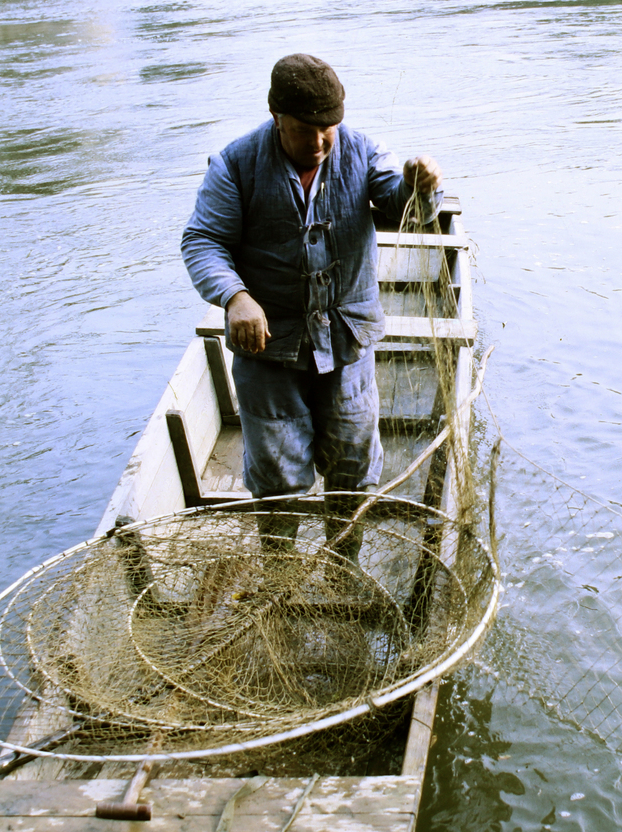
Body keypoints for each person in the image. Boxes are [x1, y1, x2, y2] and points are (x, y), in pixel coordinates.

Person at [181, 54, 442, 557]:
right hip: (269, 346)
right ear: (276, 116)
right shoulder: (234, 165)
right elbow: (203, 241)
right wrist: (236, 298)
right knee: (278, 474)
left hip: (346, 340)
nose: (321, 142)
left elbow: (401, 205)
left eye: (330, 129)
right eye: (306, 130)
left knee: (352, 465)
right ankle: (280, 572)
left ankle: (343, 562)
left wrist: (418, 185)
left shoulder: (363, 152)